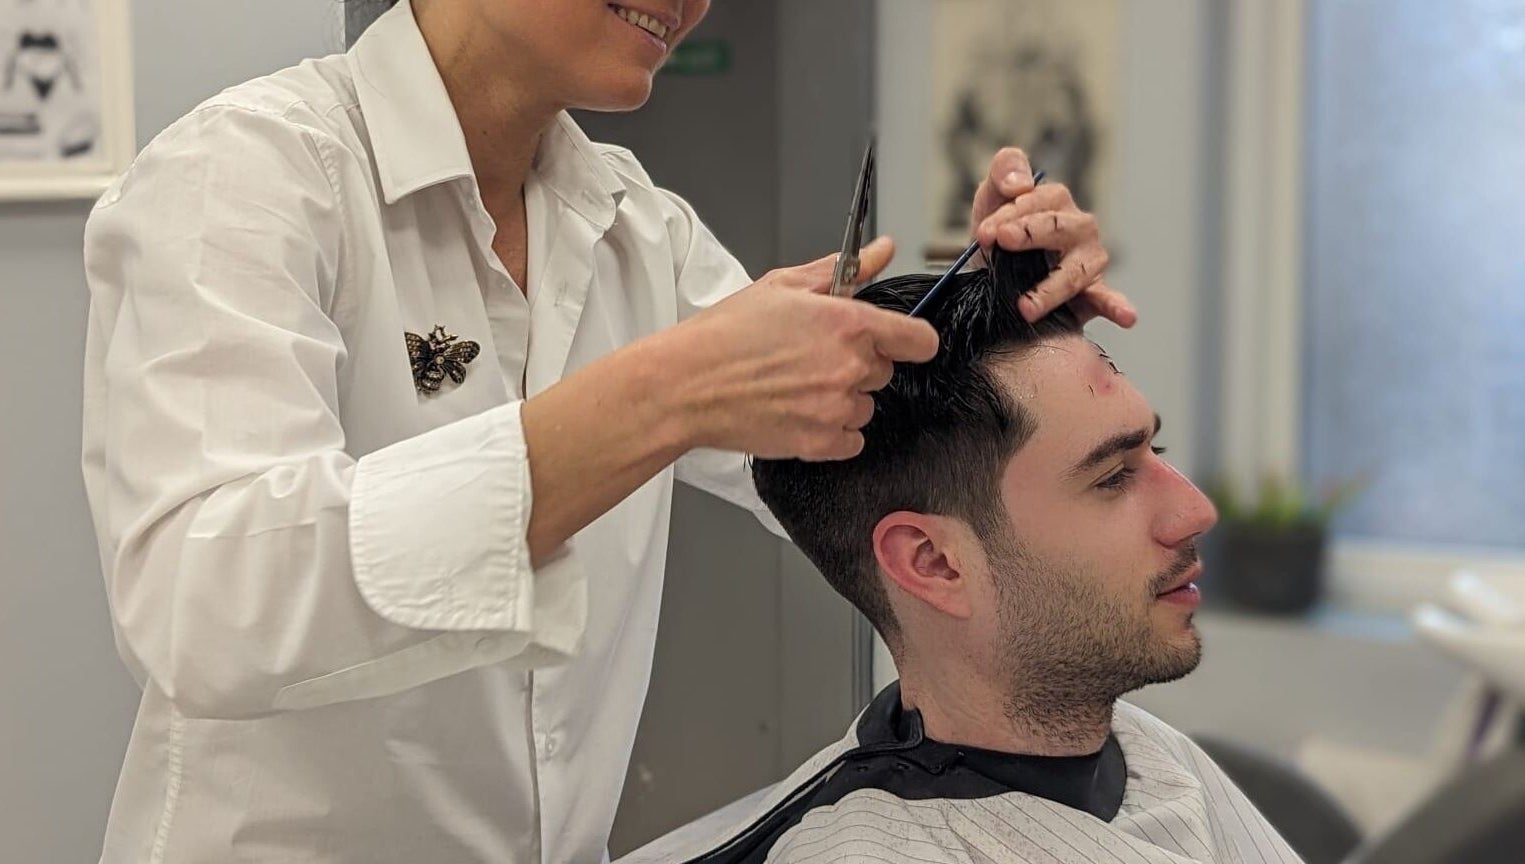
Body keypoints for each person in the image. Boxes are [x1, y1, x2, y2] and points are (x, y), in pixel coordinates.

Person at [80, 1, 1133, 861]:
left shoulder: (634, 225)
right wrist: (662, 395)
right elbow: (203, 604)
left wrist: (993, 311)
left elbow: (841, 461)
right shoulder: (247, 175)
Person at [671, 248, 1299, 864]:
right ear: (934, 562)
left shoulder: (1150, 753)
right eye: (1112, 477)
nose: (1195, 511)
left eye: (1153, 452)